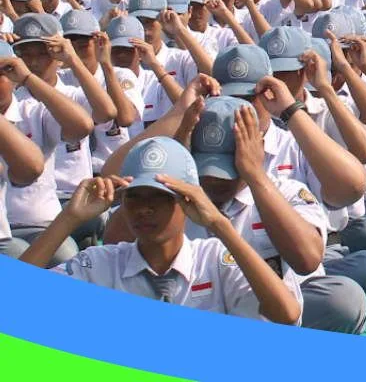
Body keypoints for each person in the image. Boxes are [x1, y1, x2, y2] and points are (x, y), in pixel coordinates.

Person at [21, 136, 302, 325]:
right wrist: (68, 218)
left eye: (160, 197)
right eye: (135, 197)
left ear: (189, 200)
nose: (144, 209)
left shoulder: (214, 259)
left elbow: (286, 314)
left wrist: (219, 224)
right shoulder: (99, 264)